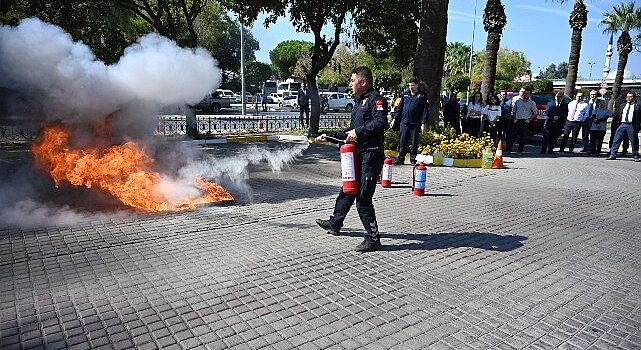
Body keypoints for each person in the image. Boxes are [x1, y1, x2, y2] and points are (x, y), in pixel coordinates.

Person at [315, 66, 389, 252]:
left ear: (363, 82)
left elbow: (381, 123)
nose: (350, 83)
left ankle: (373, 238)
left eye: (352, 80)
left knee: (363, 199)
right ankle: (335, 223)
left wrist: (359, 131)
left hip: (371, 155)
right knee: (348, 190)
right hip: (358, 154)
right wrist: (329, 136)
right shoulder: (359, 103)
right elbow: (350, 132)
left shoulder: (375, 99)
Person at [391, 78, 429, 165]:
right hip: (404, 122)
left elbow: (425, 110)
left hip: (415, 123)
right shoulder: (405, 95)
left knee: (414, 141)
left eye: (412, 85)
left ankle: (413, 159)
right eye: (409, 85)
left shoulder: (422, 95)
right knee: (402, 140)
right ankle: (401, 158)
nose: (410, 87)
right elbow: (399, 108)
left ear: (417, 85)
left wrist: (423, 123)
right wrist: (394, 119)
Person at [606, 91, 641, 161]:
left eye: (630, 96)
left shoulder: (638, 105)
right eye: (627, 97)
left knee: (634, 141)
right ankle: (613, 154)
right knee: (616, 140)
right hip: (622, 124)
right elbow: (618, 115)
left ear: (634, 97)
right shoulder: (622, 105)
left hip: (632, 125)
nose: (628, 98)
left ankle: (635, 156)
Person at [508, 87, 538, 154]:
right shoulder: (518, 101)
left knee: (523, 137)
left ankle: (520, 150)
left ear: (530, 94)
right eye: (524, 93)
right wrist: (514, 118)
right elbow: (514, 110)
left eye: (527, 93)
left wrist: (529, 119)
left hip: (525, 121)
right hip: (517, 120)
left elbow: (535, 113)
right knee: (512, 135)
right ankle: (509, 150)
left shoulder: (532, 103)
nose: (525, 95)